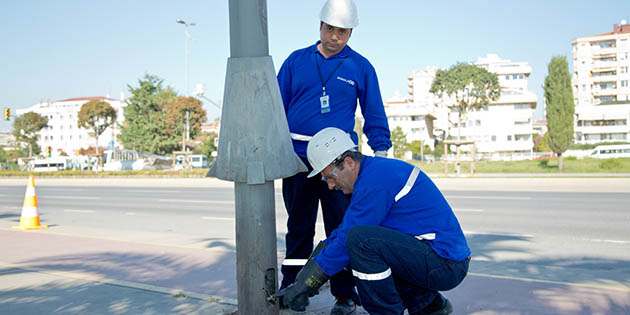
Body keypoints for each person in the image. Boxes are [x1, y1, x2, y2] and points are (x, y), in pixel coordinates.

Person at [276, 128, 471, 315]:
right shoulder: (372, 174)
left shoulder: (375, 182)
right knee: (357, 242)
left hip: (445, 265)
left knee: (359, 242)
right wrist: (302, 281)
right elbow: (341, 233)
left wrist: (306, 285)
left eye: (331, 177)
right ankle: (428, 305)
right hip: (435, 258)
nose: (330, 185)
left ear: (349, 162)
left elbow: (346, 241)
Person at [276, 0, 392, 313]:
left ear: (351, 31)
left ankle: (345, 296)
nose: (335, 36)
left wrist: (380, 151)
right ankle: (292, 289)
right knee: (298, 228)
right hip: (297, 160)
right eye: (331, 29)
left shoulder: (360, 67)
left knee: (342, 230)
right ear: (320, 26)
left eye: (343, 31)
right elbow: (275, 109)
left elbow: (374, 113)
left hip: (341, 166)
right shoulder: (296, 61)